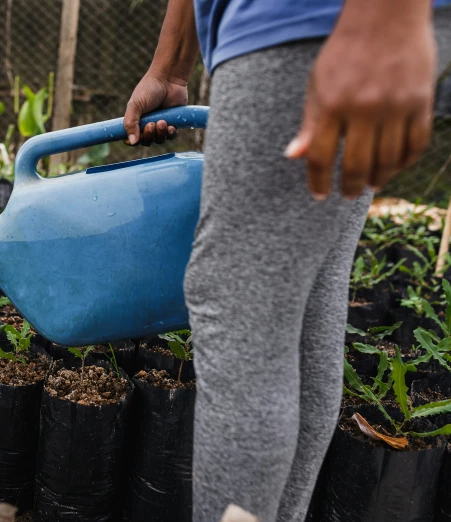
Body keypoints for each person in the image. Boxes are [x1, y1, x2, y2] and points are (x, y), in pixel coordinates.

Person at [124, 1, 451, 521]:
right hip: (315, 26)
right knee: (300, 313)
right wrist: (169, 68)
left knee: (239, 306)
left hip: (309, 23)